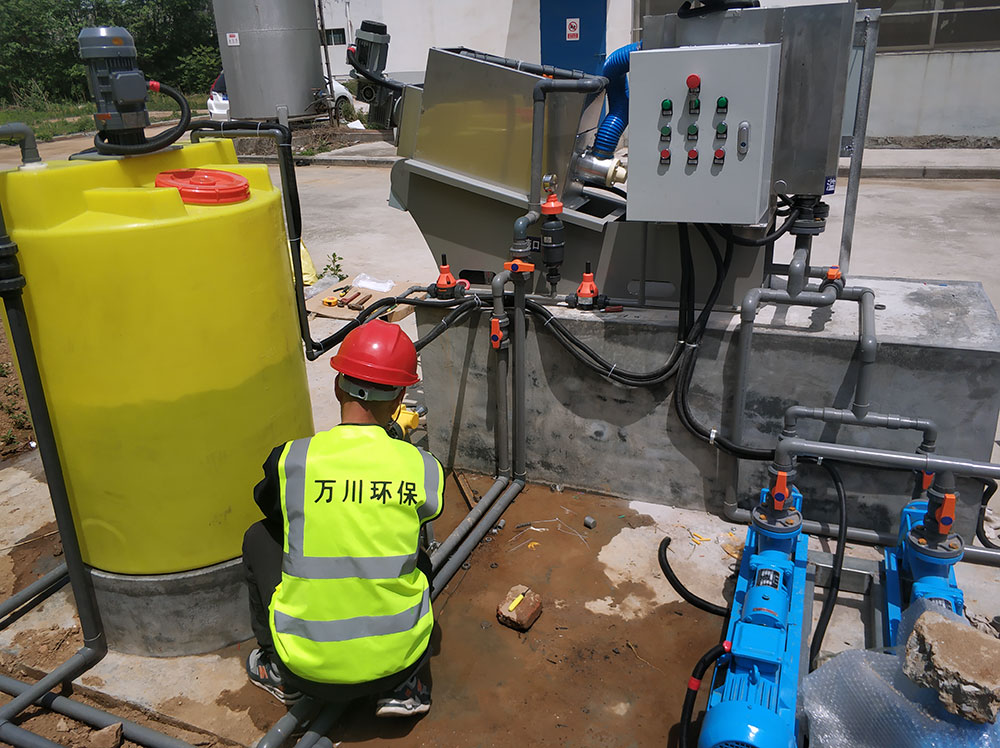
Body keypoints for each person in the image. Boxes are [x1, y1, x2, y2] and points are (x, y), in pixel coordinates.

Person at [241, 320, 443, 717]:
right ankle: (406, 689)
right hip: (398, 663)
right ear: (401, 396)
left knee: (259, 537)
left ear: (337, 386)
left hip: (305, 670)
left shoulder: (292, 460)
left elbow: (273, 511)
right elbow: (425, 512)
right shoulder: (422, 467)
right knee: (414, 550)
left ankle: (276, 668)